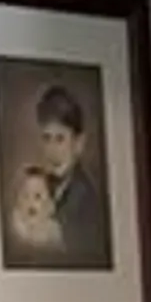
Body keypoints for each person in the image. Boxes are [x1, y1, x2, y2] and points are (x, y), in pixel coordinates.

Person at [29, 83, 109, 267]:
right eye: (46, 138)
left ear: (79, 143)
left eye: (60, 139)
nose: (52, 150)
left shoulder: (87, 199)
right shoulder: (39, 186)